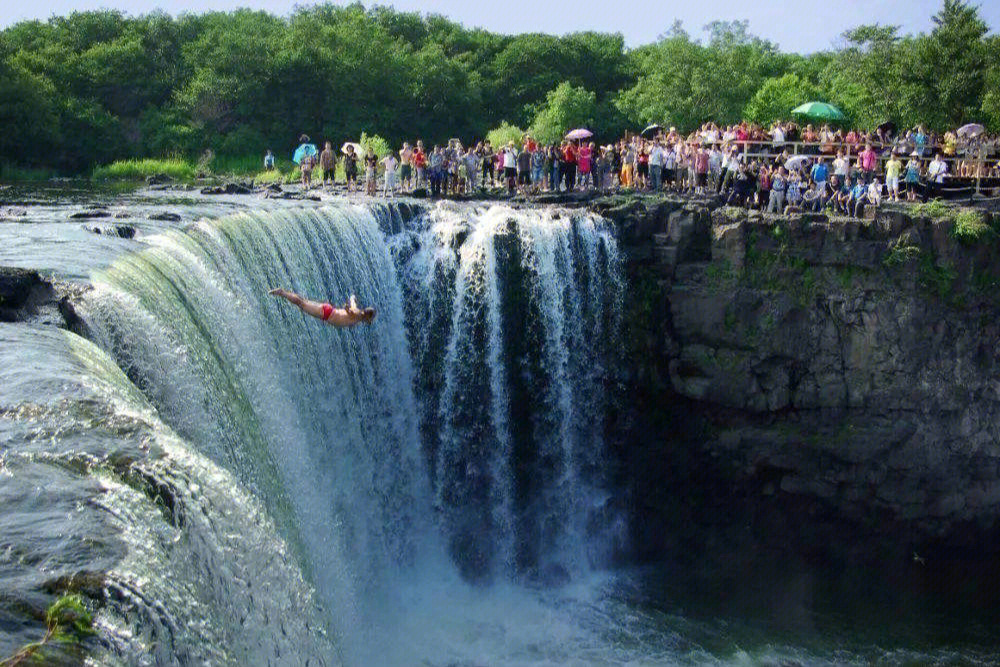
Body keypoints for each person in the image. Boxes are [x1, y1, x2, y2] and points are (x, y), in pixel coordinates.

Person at [269, 288, 375, 328]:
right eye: (371, 318)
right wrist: (347, 309)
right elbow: (351, 311)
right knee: (301, 303)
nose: (371, 321)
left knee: (303, 302)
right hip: (326, 313)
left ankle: (284, 293)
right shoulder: (358, 315)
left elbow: (352, 302)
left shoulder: (360, 314)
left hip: (328, 310)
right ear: (367, 315)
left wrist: (352, 298)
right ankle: (282, 292)